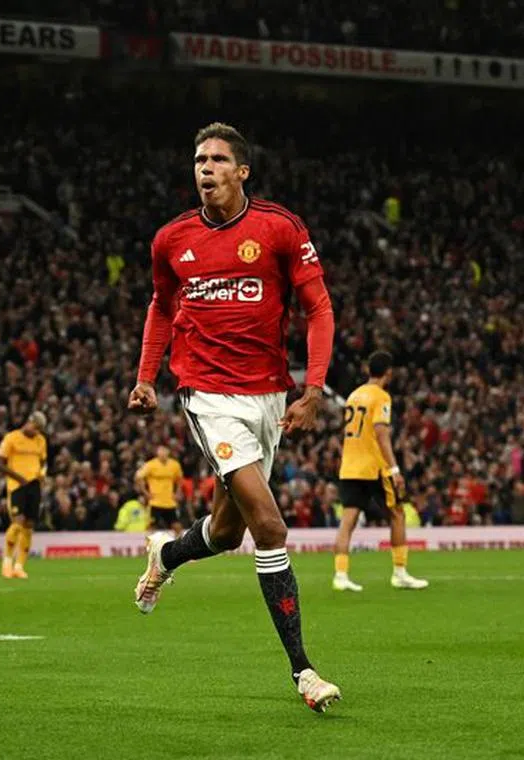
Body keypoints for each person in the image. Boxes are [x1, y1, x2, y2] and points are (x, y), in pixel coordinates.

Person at [128, 122, 342, 713]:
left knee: (226, 533)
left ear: (241, 171)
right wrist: (147, 377)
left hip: (270, 395)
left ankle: (166, 556)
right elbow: (161, 307)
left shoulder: (278, 228)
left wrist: (314, 389)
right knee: (269, 528)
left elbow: (318, 309)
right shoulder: (171, 239)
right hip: (208, 394)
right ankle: (304, 671)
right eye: (199, 159)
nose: (206, 167)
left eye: (219, 159)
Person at [333, 351, 429, 591]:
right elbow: (381, 432)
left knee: (348, 520)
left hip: (349, 464)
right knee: (397, 514)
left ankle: (340, 575)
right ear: (389, 373)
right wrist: (394, 468)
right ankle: (400, 572)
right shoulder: (381, 397)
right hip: (374, 466)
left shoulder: (354, 396)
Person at [0, 412, 47, 580]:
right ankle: (6, 564)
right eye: (36, 427)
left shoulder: (40, 440)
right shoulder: (12, 438)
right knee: (17, 523)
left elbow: (43, 462)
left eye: (39, 429)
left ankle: (19, 566)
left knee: (29, 525)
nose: (36, 432)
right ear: (29, 422)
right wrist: (18, 478)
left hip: (34, 485)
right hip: (17, 486)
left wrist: (42, 473)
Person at [135, 445, 184, 534]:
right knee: (151, 526)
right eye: (160, 451)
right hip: (155, 501)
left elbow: (180, 479)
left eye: (164, 450)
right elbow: (138, 477)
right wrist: (145, 492)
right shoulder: (150, 465)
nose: (162, 453)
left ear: (168, 452)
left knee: (177, 526)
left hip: (170, 502)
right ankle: (148, 546)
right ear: (157, 453)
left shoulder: (174, 465)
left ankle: (181, 546)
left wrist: (177, 492)